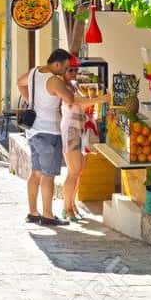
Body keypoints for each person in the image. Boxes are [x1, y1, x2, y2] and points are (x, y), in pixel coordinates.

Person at [17, 48, 76, 226]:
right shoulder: (54, 81)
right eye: (65, 68)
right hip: (49, 131)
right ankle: (48, 215)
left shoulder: (34, 71)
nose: (66, 71)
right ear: (57, 64)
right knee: (48, 176)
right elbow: (70, 99)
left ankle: (33, 212)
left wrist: (31, 101)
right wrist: (66, 83)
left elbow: (20, 82)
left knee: (36, 173)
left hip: (33, 130)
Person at [59, 56, 109, 222]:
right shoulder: (64, 87)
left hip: (78, 129)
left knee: (78, 171)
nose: (74, 72)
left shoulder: (73, 85)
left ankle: (72, 205)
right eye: (70, 69)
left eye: (75, 69)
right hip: (71, 131)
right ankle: (66, 208)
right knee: (73, 172)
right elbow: (79, 103)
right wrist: (102, 98)